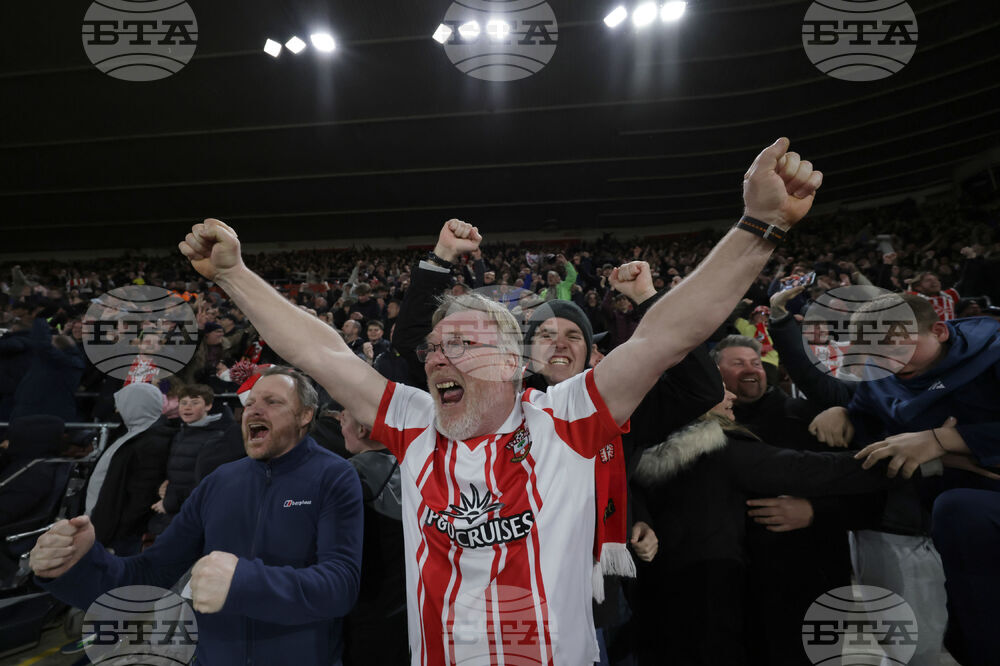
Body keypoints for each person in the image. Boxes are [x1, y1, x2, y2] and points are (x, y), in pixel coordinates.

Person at [171, 137, 822, 664]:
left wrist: (758, 226)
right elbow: (323, 354)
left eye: (463, 343)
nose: (437, 357)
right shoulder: (415, 420)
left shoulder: (565, 417)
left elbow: (665, 337)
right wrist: (234, 274)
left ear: (513, 364)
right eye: (435, 346)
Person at [30, 367, 364, 665]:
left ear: (306, 414)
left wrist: (243, 583)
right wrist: (77, 566)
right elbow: (150, 572)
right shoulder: (220, 481)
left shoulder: (334, 476)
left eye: (272, 402)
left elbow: (340, 585)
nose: (253, 410)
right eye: (249, 403)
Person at [337, 408, 408, 666]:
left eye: (343, 422)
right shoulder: (416, 467)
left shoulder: (345, 476)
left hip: (367, 613)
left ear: (362, 430)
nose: (340, 429)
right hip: (411, 611)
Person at [149, 384, 241, 536]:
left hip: (190, 512)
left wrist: (170, 502)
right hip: (176, 510)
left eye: (195, 402)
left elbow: (203, 481)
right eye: (183, 403)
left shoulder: (216, 437)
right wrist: (167, 484)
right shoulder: (180, 434)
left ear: (208, 405)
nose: (187, 407)